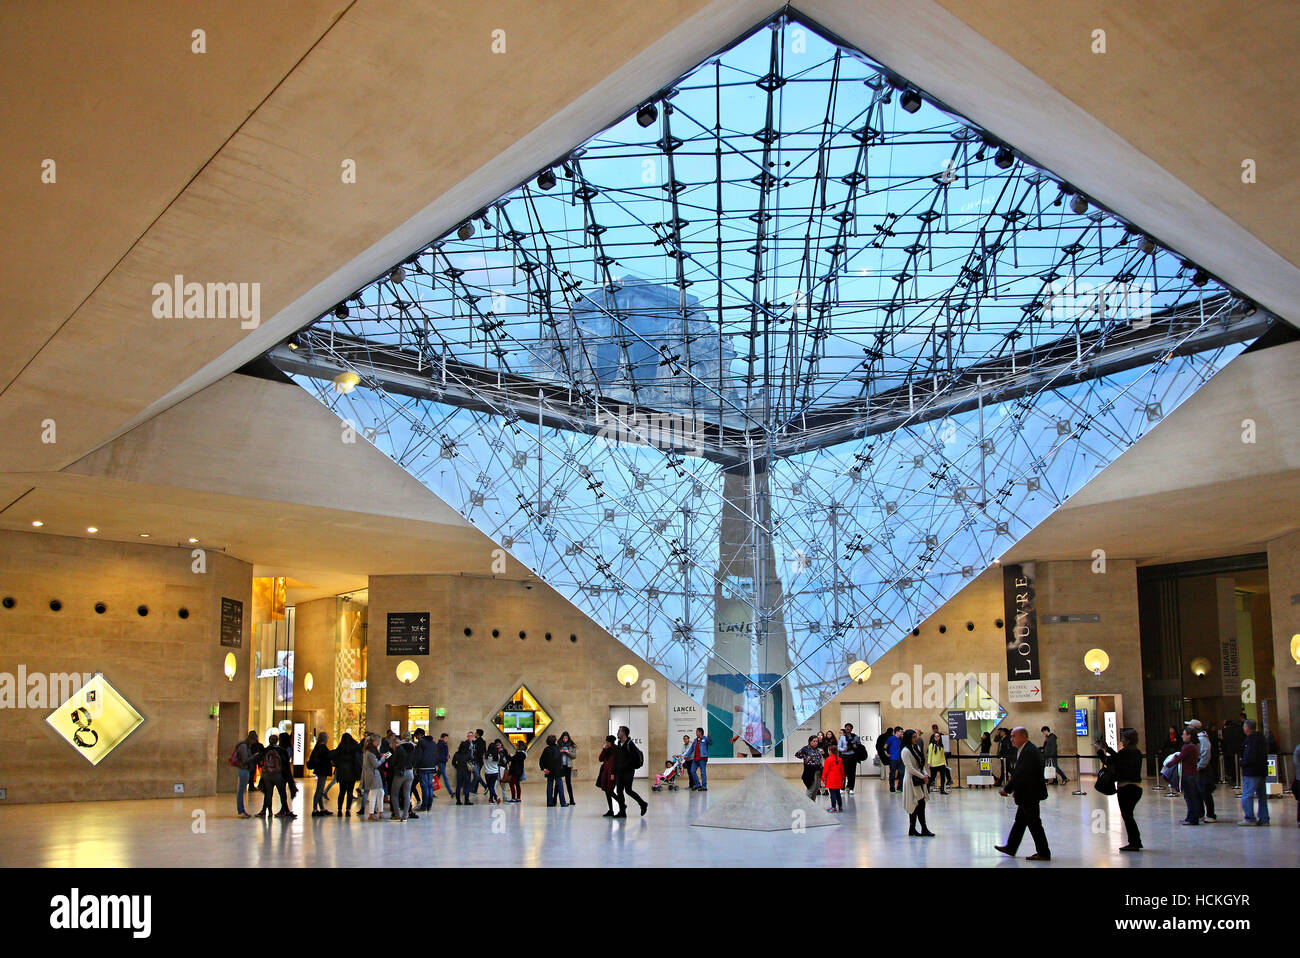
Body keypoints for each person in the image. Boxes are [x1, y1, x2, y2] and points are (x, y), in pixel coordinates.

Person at [994, 727, 1050, 860]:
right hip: (1027, 793)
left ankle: (1043, 853)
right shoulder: (1025, 749)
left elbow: (1021, 773)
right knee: (1020, 821)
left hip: (1030, 794)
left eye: (1014, 736)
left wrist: (1008, 789)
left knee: (1034, 823)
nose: (1011, 739)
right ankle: (1011, 847)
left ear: (1023, 737)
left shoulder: (1029, 751)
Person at [1099, 729, 1144, 851]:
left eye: (1123, 739)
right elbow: (1118, 758)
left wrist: (1100, 751)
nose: (1122, 741)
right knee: (1129, 815)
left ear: (1128, 740)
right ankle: (1136, 840)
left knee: (1127, 816)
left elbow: (1109, 761)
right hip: (1137, 788)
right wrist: (1108, 749)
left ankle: (1134, 842)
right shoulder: (1137, 752)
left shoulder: (1125, 753)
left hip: (1126, 788)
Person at [901, 730, 934, 836]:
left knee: (921, 804)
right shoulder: (905, 751)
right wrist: (923, 776)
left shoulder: (917, 748)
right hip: (911, 780)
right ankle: (913, 829)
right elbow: (909, 768)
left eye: (916, 736)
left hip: (919, 780)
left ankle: (922, 828)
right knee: (914, 804)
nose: (916, 739)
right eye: (913, 737)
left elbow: (921, 764)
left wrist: (925, 775)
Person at [1238, 719, 1270, 826]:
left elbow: (1250, 756)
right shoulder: (1261, 738)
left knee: (1247, 795)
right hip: (1261, 770)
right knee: (1262, 796)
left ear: (1247, 728)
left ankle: (1249, 818)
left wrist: (1242, 763)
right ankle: (1264, 818)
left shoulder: (1251, 740)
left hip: (1252, 771)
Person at [612, 725, 647, 817]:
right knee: (619, 791)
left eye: (619, 731)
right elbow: (616, 759)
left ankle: (642, 803)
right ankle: (622, 812)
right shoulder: (619, 743)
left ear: (624, 733)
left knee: (628, 790)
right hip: (619, 772)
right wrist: (614, 771)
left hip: (628, 772)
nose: (617, 733)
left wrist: (627, 766)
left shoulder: (630, 744)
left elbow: (635, 758)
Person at [1190, 720, 1217, 822]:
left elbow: (1205, 754)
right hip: (1198, 768)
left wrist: (1199, 766)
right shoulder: (1197, 739)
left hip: (1202, 769)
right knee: (1197, 792)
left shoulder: (1203, 739)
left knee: (1205, 792)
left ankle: (1210, 814)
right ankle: (1200, 813)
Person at [331, 732, 362, 817]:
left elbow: (334, 756)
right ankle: (348, 810)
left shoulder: (340, 747)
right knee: (349, 792)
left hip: (342, 772)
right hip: (352, 772)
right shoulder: (354, 747)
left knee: (341, 792)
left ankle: (339, 810)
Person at [1177, 726, 1203, 825]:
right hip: (1191, 774)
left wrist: (1167, 764)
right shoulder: (1193, 746)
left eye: (1184, 734)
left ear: (1189, 736)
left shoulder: (1189, 747)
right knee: (1190, 797)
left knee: (1191, 798)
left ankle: (1192, 818)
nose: (1182, 736)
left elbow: (1180, 758)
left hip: (1189, 775)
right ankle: (1190, 817)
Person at [387, 732, 415, 821]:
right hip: (410, 771)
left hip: (400, 772)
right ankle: (405, 815)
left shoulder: (399, 748)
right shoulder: (413, 747)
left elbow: (393, 761)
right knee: (407, 794)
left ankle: (397, 815)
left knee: (394, 794)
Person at [232, 731, 259, 818]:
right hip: (243, 770)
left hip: (244, 770)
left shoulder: (246, 746)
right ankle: (241, 810)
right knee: (241, 791)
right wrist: (254, 756)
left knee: (242, 791)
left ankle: (242, 810)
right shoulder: (243, 746)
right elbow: (245, 760)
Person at [307, 732, 334, 816]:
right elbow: (326, 757)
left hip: (320, 770)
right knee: (319, 790)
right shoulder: (322, 747)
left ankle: (322, 808)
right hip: (322, 770)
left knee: (320, 789)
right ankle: (315, 809)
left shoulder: (318, 747)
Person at [413, 728, 439, 811]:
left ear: (419, 735)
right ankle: (429, 805)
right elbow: (436, 755)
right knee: (430, 786)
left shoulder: (421, 743)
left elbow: (418, 756)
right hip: (431, 767)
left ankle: (424, 806)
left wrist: (415, 767)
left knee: (424, 786)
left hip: (423, 767)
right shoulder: (433, 743)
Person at [539, 734, 569, 807]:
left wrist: (544, 769)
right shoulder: (556, 749)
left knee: (549, 786)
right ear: (555, 741)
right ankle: (563, 802)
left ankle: (549, 802)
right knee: (560, 786)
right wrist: (549, 769)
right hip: (556, 771)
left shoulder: (546, 749)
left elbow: (541, 760)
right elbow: (555, 760)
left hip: (549, 771)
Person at [361, 734, 385, 821]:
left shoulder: (369, 750)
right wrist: (383, 758)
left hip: (372, 774)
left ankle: (379, 812)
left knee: (378, 793)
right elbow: (376, 764)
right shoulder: (371, 752)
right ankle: (372, 813)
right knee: (375, 793)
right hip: (373, 774)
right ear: (375, 742)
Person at [795, 734, 824, 799]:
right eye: (814, 741)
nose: (815, 743)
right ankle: (807, 803)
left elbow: (820, 758)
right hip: (810, 770)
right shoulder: (806, 748)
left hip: (818, 770)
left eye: (817, 741)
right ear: (810, 741)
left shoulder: (818, 749)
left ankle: (812, 803)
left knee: (816, 788)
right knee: (811, 787)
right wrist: (805, 758)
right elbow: (797, 754)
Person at [838, 723, 863, 796]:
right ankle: (842, 788)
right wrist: (843, 749)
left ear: (851, 729)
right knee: (843, 772)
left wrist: (856, 746)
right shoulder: (842, 737)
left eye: (849, 727)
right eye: (846, 727)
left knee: (852, 773)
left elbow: (860, 746)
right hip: (844, 756)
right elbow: (838, 747)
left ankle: (851, 788)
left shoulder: (855, 737)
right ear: (845, 728)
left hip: (852, 756)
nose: (848, 728)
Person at [597, 735, 618, 815]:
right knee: (606, 791)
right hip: (605, 773)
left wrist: (613, 773)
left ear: (611, 742)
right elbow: (600, 759)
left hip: (612, 773)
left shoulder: (615, 749)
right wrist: (604, 750)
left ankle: (622, 804)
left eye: (608, 742)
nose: (606, 743)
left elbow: (615, 763)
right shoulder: (606, 750)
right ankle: (611, 810)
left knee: (610, 790)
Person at [1220, 718, 1244, 787]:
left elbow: (1224, 741)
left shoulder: (1225, 730)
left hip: (1229, 751)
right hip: (1239, 750)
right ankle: (1239, 780)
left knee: (1232, 765)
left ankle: (1235, 780)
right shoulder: (1240, 729)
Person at [822, 743, 845, 812]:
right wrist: (843, 778)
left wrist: (823, 778)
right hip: (838, 779)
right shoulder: (839, 759)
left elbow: (825, 770)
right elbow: (842, 770)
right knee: (838, 793)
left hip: (831, 779)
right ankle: (840, 807)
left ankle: (833, 807)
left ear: (830, 751)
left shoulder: (828, 760)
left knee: (832, 794)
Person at [687, 727, 711, 791]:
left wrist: (709, 738)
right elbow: (691, 749)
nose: (696, 733)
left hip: (702, 758)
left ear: (700, 732)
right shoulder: (695, 740)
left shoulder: (705, 738)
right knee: (692, 771)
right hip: (695, 759)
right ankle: (697, 785)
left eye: (697, 732)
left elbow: (710, 743)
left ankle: (704, 786)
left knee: (703, 773)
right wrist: (686, 756)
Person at [452, 739, 475, 805]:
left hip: (459, 771)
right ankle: (466, 800)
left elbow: (453, 762)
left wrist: (457, 767)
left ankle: (458, 800)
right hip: (467, 772)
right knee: (467, 786)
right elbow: (471, 761)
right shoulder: (468, 754)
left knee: (458, 786)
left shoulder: (456, 754)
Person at [557, 731, 577, 806]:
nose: (565, 739)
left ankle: (572, 800)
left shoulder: (572, 745)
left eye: (566, 738)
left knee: (568, 783)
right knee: (558, 784)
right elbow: (555, 755)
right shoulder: (558, 744)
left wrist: (568, 752)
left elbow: (574, 756)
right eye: (564, 738)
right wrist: (560, 751)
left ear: (568, 738)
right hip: (560, 766)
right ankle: (554, 799)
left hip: (568, 766)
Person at [482, 739, 503, 805]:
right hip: (495, 772)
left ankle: (495, 796)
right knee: (492, 786)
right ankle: (491, 799)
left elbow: (484, 763)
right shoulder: (497, 756)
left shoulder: (485, 755)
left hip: (487, 773)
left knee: (490, 786)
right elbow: (498, 763)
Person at [886, 727, 903, 793]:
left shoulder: (901, 739)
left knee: (902, 773)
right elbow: (885, 746)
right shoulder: (891, 738)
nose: (902, 733)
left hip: (900, 758)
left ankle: (899, 787)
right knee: (892, 774)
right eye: (901, 731)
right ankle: (892, 787)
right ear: (897, 732)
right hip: (893, 759)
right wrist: (887, 754)